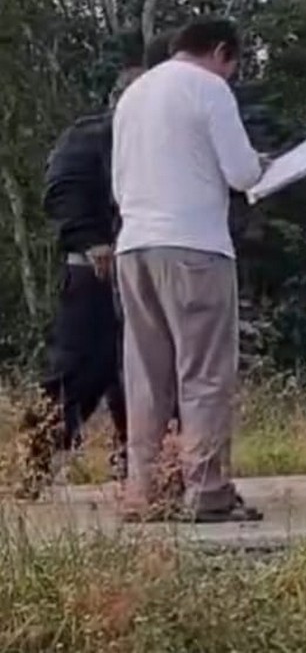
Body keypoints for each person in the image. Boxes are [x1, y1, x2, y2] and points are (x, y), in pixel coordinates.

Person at [111, 17, 266, 523]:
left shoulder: (135, 94)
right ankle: (206, 488)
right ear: (222, 51)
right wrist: (262, 166)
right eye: (233, 63)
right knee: (203, 372)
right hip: (195, 245)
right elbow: (242, 172)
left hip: (134, 244)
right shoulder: (209, 88)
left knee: (146, 373)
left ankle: (144, 490)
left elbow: (118, 180)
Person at [17, 62, 145, 499]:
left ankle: (141, 467)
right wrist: (89, 239)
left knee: (142, 375)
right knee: (76, 373)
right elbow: (62, 188)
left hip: (144, 264)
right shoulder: (89, 136)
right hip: (96, 267)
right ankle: (31, 466)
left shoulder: (157, 144)